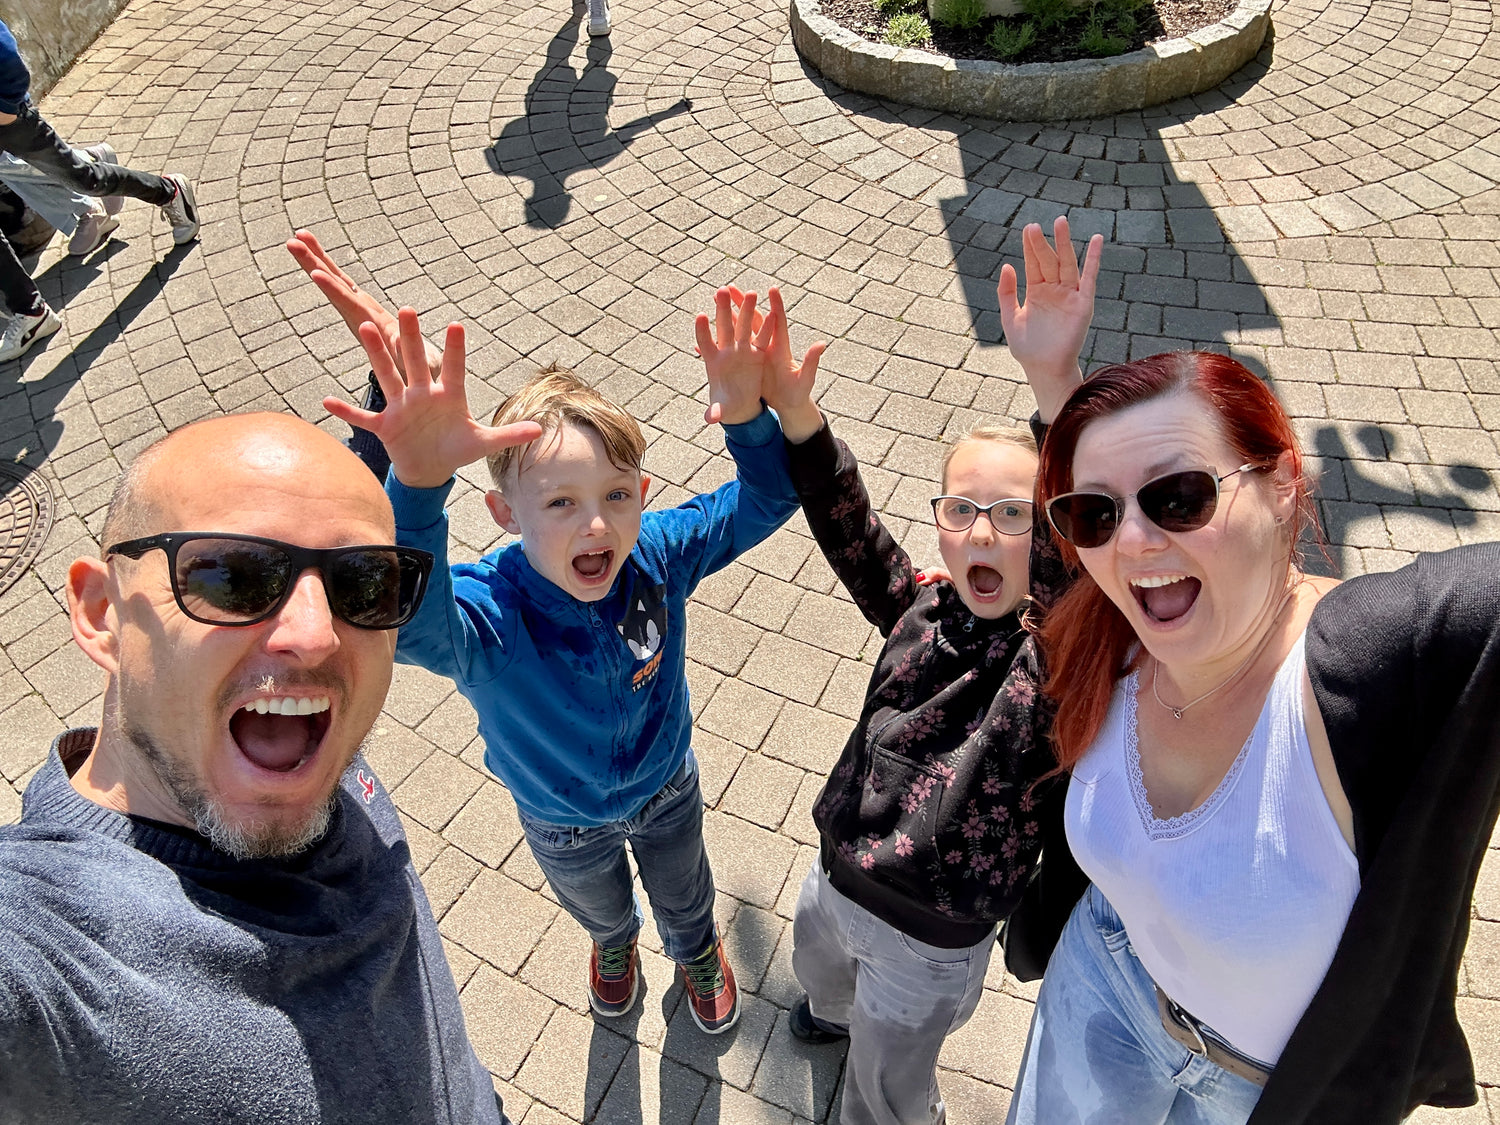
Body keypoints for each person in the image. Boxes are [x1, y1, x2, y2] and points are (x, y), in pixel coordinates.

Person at [998, 218, 1500, 1125]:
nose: (1133, 542)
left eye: (1180, 495)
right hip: (1102, 978)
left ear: (1282, 483)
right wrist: (1053, 379)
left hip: (1261, 1087)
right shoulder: (1109, 625)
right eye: (1096, 514)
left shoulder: (1381, 658)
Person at [288, 230, 815, 1035]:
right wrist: (418, 484)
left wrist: (747, 417)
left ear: (643, 493)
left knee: (687, 891)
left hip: (666, 785)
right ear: (504, 512)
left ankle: (696, 948)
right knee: (598, 905)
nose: (596, 524)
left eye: (616, 494)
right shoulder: (494, 609)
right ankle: (615, 945)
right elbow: (412, 623)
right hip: (560, 818)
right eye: (561, 502)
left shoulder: (657, 552)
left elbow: (768, 499)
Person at [0, 411, 536, 1123]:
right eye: (235, 577)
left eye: (362, 584)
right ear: (103, 613)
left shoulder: (308, 752)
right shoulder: (46, 942)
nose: (316, 635)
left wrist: (420, 483)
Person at [734, 282, 1072, 1124]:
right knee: (822, 974)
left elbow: (1080, 554)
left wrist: (1055, 390)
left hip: (933, 936)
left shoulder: (1051, 654)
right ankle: (831, 1013)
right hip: (837, 876)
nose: (983, 531)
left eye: (1013, 514)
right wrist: (799, 416)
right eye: (962, 509)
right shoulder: (919, 601)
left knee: (885, 1083)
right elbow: (850, 528)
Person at [0, 19, 197, 361]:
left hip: (11, 122)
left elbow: (9, 64)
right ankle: (31, 311)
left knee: (84, 179)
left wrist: (4, 112)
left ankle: (168, 191)